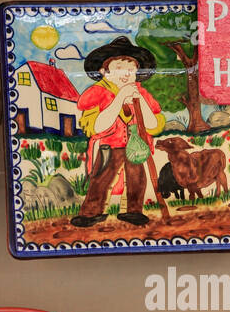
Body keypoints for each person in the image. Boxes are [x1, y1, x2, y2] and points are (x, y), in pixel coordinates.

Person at [69, 36, 166, 227]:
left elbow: (154, 124)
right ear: (104, 71)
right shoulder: (97, 93)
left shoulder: (141, 93)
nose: (126, 74)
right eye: (120, 68)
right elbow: (96, 127)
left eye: (131, 69)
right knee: (101, 179)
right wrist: (120, 98)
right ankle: (91, 213)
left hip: (135, 146)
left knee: (137, 179)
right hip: (109, 146)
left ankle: (133, 211)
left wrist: (141, 103)